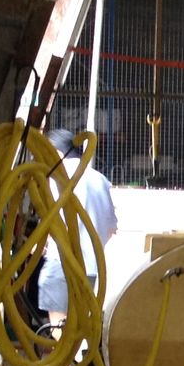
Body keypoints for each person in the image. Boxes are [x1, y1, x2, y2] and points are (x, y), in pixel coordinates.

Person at [36, 126, 119, 330]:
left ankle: (65, 362)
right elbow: (111, 228)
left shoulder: (58, 176)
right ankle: (77, 360)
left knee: (59, 328)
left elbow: (49, 219)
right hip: (92, 269)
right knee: (80, 327)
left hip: (62, 263)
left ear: (55, 152)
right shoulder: (100, 179)